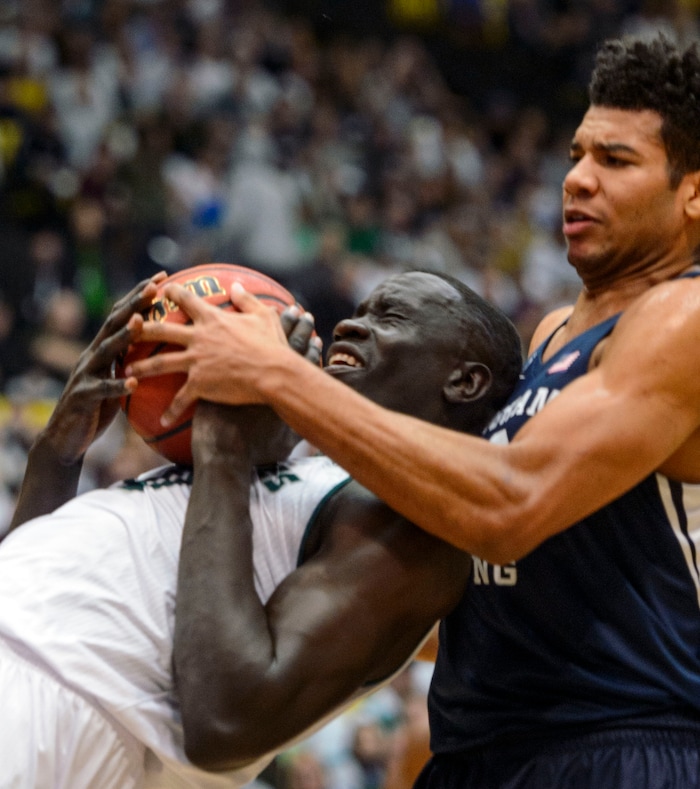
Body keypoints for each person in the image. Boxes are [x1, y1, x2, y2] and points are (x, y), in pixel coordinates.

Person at [128, 33, 700, 787]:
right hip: (486, 744)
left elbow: (511, 502)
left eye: (616, 161)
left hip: (615, 743)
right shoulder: (557, 331)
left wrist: (278, 377)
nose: (578, 181)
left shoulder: (681, 317)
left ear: (692, 190)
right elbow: (512, 573)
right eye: (575, 156)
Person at [1, 269, 522, 787]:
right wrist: (58, 454)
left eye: (390, 317)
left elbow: (227, 725)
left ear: (463, 381)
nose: (347, 328)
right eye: (358, 311)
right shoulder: (300, 466)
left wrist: (225, 446)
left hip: (55, 708)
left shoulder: (415, 530)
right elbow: (44, 591)